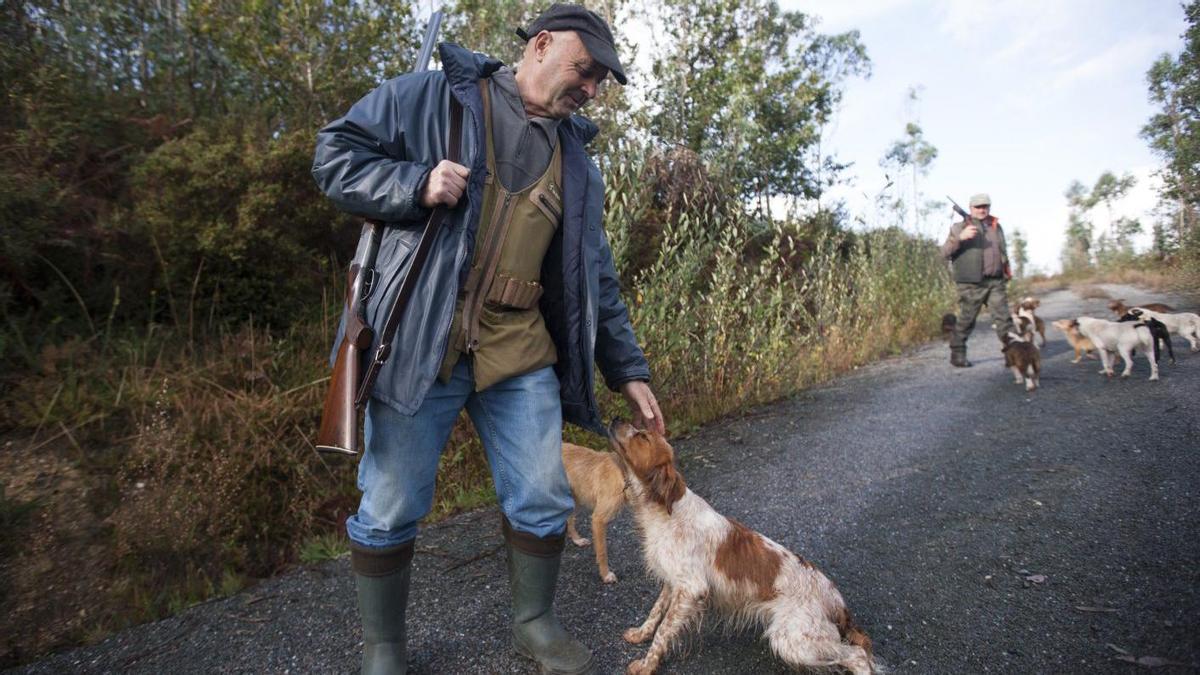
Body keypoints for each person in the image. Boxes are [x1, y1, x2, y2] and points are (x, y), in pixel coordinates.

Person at [311, 5, 663, 674]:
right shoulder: (431, 97)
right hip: (420, 338)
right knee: (390, 502)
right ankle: (383, 646)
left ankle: (535, 623)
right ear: (540, 46)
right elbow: (334, 155)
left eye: (599, 83)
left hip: (518, 346)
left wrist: (628, 368)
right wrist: (412, 183)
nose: (590, 90)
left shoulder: (578, 164)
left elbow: (597, 279)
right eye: (585, 71)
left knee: (542, 493)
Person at [940, 193, 1014, 368]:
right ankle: (957, 354)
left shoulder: (996, 227)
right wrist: (960, 238)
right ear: (971, 208)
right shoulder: (959, 227)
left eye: (985, 206)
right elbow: (943, 252)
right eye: (978, 207)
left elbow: (1003, 251)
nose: (982, 210)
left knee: (1004, 320)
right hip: (971, 283)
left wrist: (1006, 271)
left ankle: (1012, 355)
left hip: (996, 281)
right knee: (967, 319)